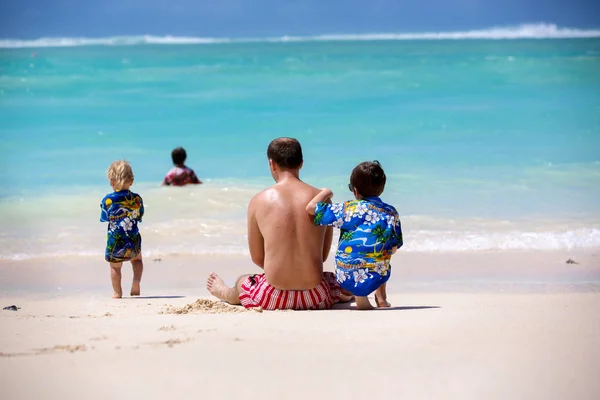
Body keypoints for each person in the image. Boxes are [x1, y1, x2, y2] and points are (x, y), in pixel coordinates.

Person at [206, 137, 342, 310]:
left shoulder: (258, 200)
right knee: (332, 280)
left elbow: (257, 258)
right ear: (301, 163)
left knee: (242, 281)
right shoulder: (321, 200)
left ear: (272, 164)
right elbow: (321, 256)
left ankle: (226, 293)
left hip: (272, 296)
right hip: (315, 297)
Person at [306, 161, 403, 310]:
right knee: (382, 249)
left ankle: (358, 297)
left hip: (347, 274)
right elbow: (395, 246)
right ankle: (381, 297)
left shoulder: (348, 209)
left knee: (362, 254)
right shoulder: (391, 212)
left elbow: (311, 208)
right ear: (381, 189)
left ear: (355, 191)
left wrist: (326, 192)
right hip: (377, 272)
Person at [100, 160, 145, 298]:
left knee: (115, 266)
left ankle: (117, 292)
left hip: (115, 241)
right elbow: (140, 215)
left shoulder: (108, 200)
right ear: (131, 181)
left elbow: (104, 217)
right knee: (137, 261)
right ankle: (136, 282)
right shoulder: (137, 199)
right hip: (133, 237)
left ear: (111, 182)